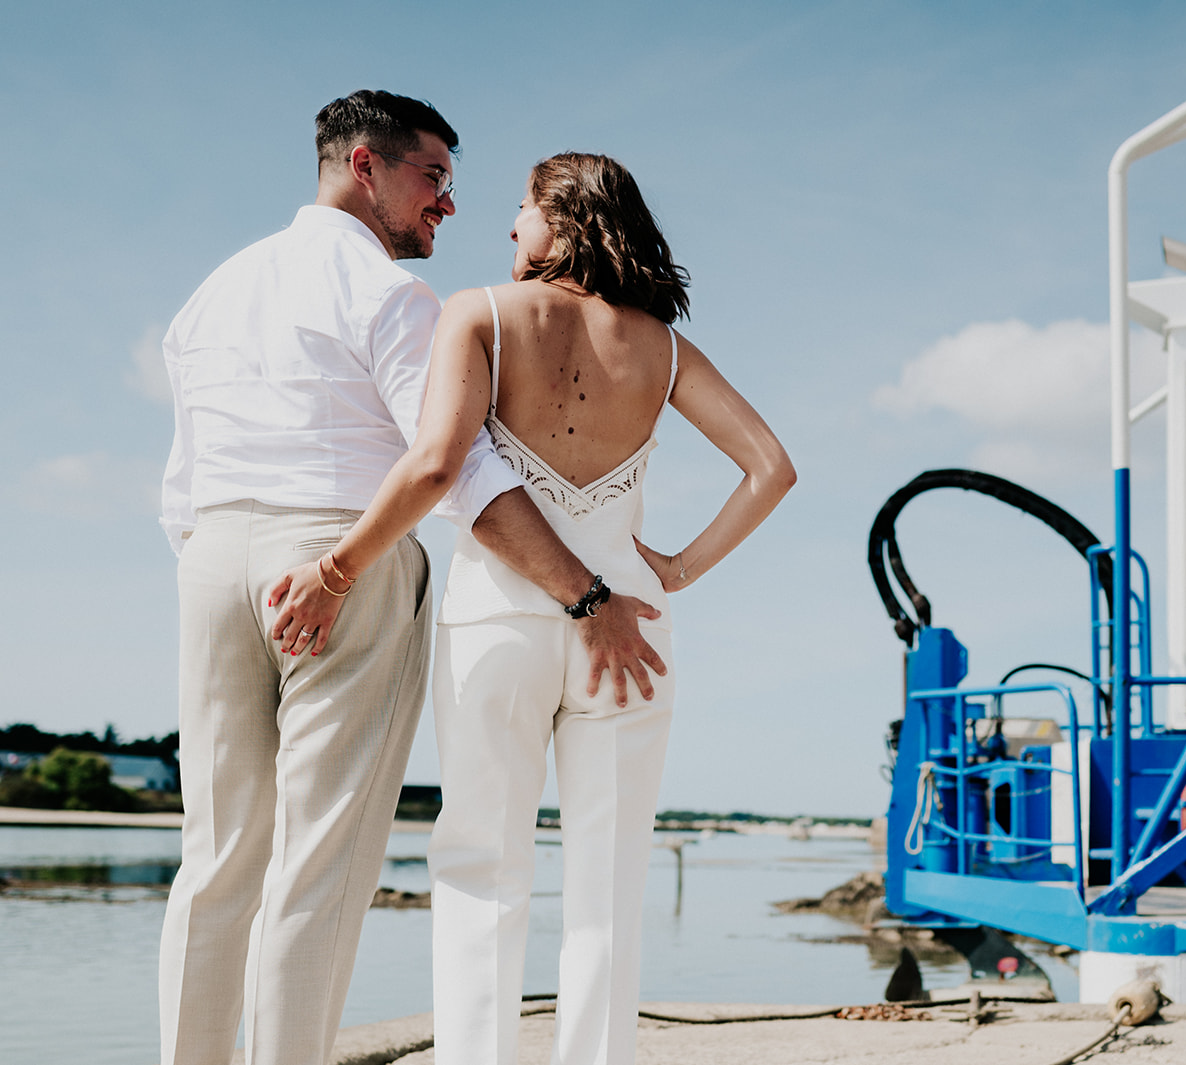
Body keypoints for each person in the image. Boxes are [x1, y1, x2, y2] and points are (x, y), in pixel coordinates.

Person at [156, 93, 663, 1065]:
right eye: (432, 176)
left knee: (214, 857)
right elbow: (456, 469)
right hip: (345, 557)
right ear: (365, 165)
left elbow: (179, 475)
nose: (449, 204)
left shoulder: (215, 290)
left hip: (212, 558)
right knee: (320, 860)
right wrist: (586, 596)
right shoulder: (391, 297)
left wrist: (213, 557)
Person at [419, 153, 794, 1065]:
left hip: (497, 620)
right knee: (612, 882)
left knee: (481, 866)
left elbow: (441, 465)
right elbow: (771, 468)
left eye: (521, 207)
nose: (509, 225)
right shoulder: (663, 348)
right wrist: (678, 568)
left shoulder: (478, 313)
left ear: (561, 217)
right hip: (633, 624)